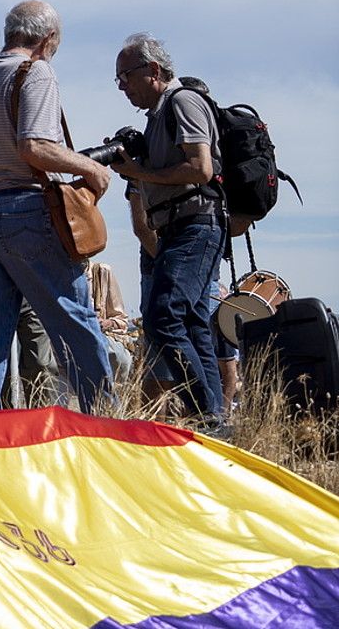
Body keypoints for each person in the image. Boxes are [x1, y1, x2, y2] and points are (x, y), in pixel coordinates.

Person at [0, 0, 115, 414]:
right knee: (72, 321)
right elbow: (35, 146)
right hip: (23, 208)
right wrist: (91, 168)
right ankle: (106, 421)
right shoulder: (35, 71)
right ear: (47, 39)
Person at [110, 33, 225, 423]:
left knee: (164, 315)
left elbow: (201, 168)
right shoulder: (159, 115)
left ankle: (205, 412)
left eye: (125, 76)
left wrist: (139, 172)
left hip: (196, 222)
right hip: (181, 226)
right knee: (192, 323)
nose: (122, 86)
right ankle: (213, 419)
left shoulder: (183, 102)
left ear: (153, 70)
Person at [86, 260, 134, 384]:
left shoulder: (101, 272)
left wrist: (107, 323)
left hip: (102, 339)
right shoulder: (55, 275)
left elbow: (122, 320)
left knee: (116, 356)